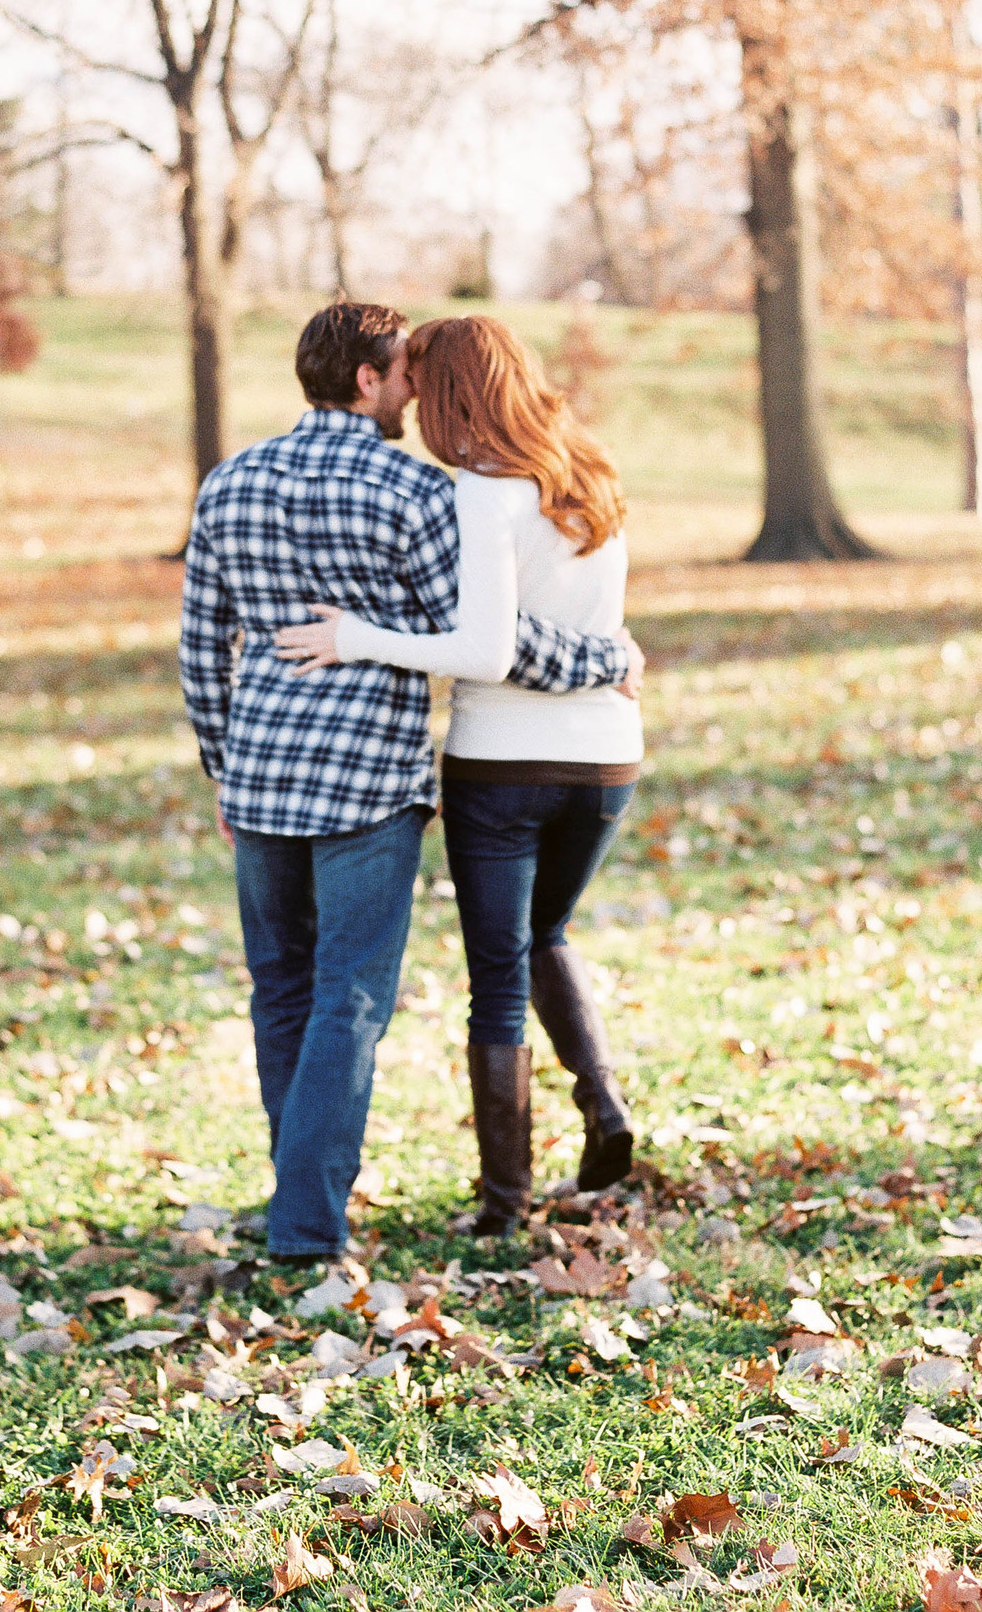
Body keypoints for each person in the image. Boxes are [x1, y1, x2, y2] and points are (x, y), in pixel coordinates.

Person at [178, 301, 639, 1264]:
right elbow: (490, 640)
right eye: (404, 374)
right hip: (367, 787)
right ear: (367, 381)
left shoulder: (227, 485)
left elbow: (198, 651)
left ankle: (302, 1196)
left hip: (260, 778)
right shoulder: (414, 493)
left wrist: (224, 768)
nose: (415, 393)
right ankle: (306, 1224)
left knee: (282, 994)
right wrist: (604, 656)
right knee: (347, 1000)